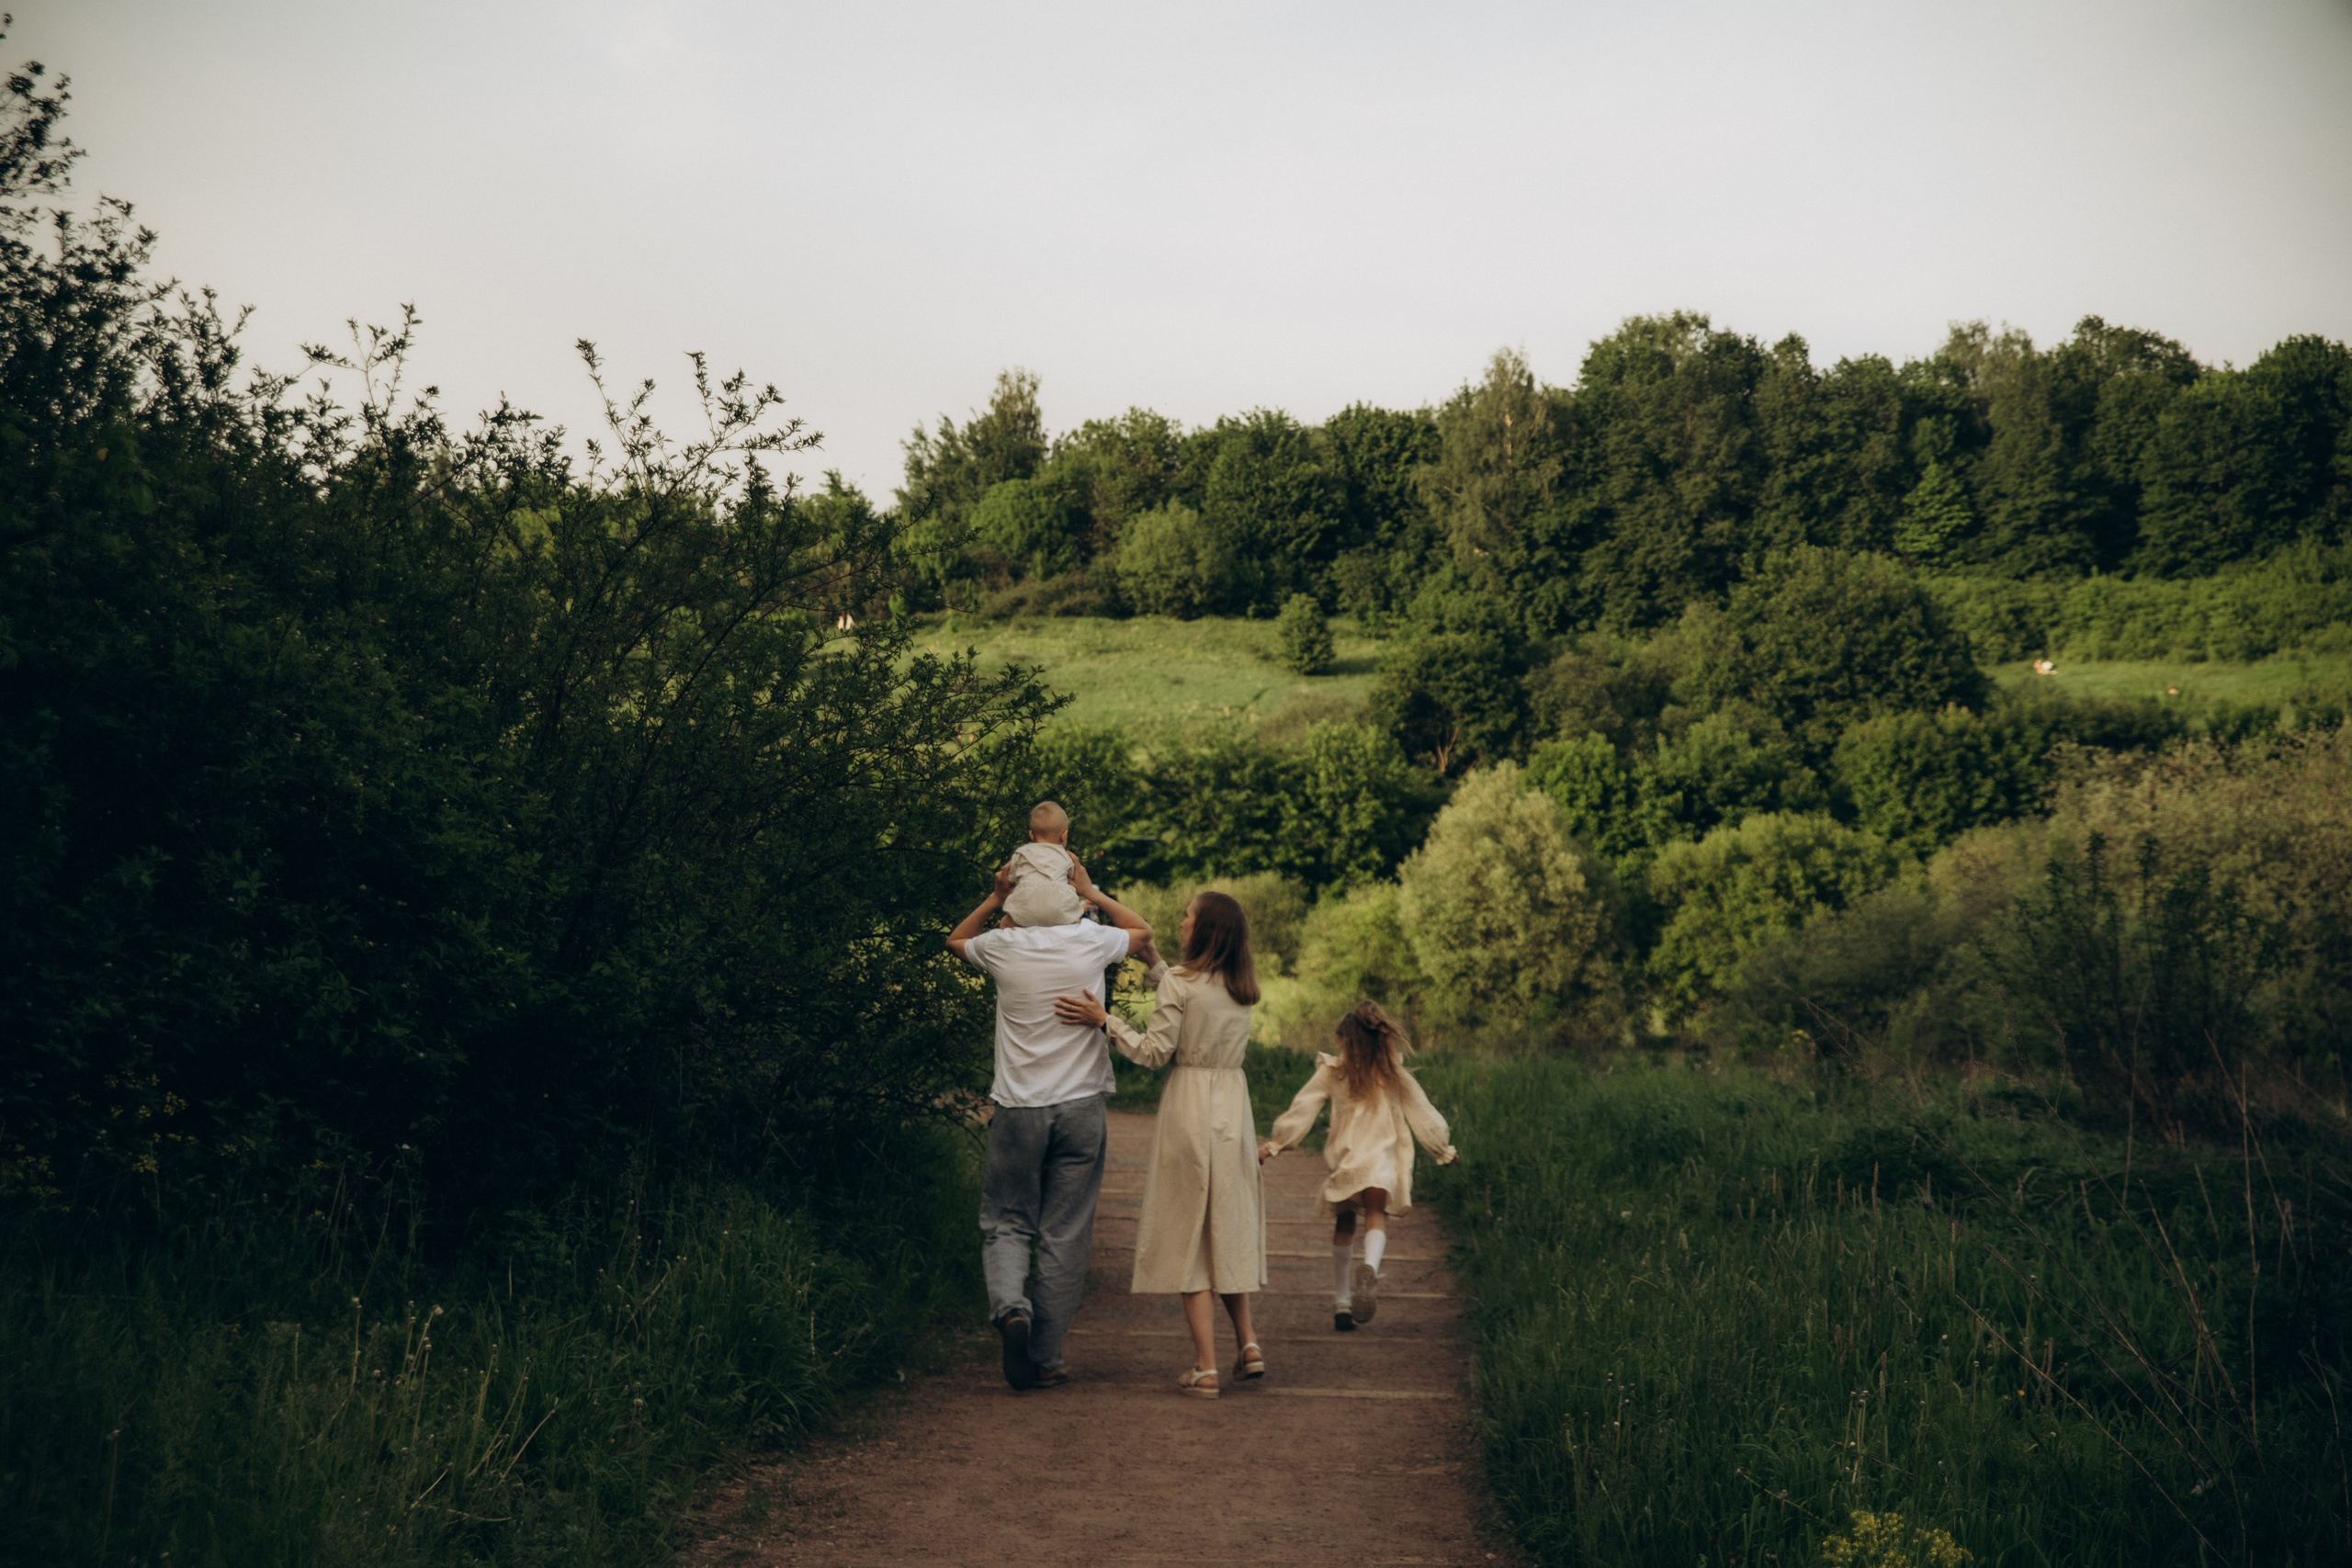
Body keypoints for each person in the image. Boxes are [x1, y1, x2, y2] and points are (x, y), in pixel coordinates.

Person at [946, 819, 1153, 1391]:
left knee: (1008, 1222)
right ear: (1067, 891)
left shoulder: (1001, 947)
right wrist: (1093, 892)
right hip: (1082, 1106)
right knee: (1065, 1232)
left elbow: (955, 939)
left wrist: (994, 898)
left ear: (1019, 892)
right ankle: (1046, 1358)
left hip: (1019, 1108)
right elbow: (1141, 931)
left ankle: (1012, 1308)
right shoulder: (1090, 941)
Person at [1054, 890, 1267, 1399]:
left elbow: (1154, 1053)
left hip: (1190, 1109)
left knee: (1187, 1231)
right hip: (1234, 1108)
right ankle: (1249, 1345)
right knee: (1226, 1225)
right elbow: (1194, 998)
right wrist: (1155, 964)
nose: (1181, 921)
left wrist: (1105, 1022)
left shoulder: (1180, 983)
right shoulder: (1241, 988)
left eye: (1188, 916)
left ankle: (1206, 1366)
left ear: (1206, 929)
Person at [1261, 1000, 1457, 1331]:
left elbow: (1302, 1108)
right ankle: (1370, 1265)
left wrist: (1276, 1144)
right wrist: (1443, 1149)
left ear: (1344, 1040)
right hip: (1380, 1161)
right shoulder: (1393, 1074)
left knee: (1345, 1224)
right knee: (1376, 1216)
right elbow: (1423, 1112)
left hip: (1347, 1160)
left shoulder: (1333, 1072)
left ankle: (1342, 1303)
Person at [1002, 799, 1086, 930]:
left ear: (1031, 834)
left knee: (1005, 924)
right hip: (1060, 911)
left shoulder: (1021, 854)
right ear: (1064, 835)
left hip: (1025, 909)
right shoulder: (1067, 857)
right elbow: (1073, 879)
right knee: (1075, 920)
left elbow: (1011, 879)